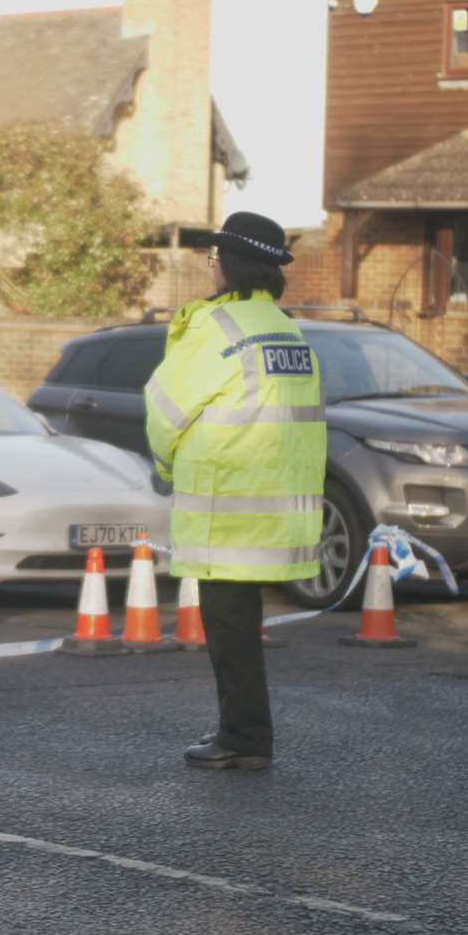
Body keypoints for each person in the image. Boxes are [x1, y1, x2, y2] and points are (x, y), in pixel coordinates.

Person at [143, 212, 327, 771]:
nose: (211, 268)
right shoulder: (288, 329)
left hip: (226, 507)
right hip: (277, 511)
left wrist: (166, 468)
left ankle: (244, 739)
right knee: (240, 630)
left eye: (214, 259)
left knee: (229, 634)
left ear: (230, 264)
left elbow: (164, 410)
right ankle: (245, 734)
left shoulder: (218, 328)